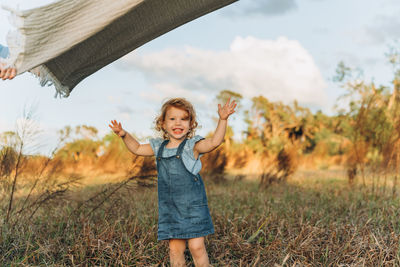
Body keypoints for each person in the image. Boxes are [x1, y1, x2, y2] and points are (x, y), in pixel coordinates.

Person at [109, 97, 236, 267]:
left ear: (191, 124)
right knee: (175, 250)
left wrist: (222, 120)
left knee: (196, 247)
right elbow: (137, 148)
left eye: (184, 119)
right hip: (171, 209)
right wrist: (124, 135)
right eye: (172, 118)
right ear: (162, 123)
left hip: (193, 209)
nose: (178, 123)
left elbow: (214, 142)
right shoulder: (158, 147)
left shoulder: (193, 146)